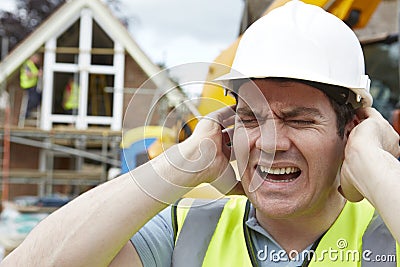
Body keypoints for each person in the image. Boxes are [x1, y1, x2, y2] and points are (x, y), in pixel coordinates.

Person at [2, 1, 400, 266]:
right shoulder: (186, 230)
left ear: (350, 131)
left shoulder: (385, 230)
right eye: (250, 118)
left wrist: (374, 164)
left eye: (299, 120)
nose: (271, 141)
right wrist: (182, 165)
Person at [19, 53, 42, 118]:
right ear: (33, 57)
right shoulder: (27, 64)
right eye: (37, 58)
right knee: (34, 99)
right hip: (27, 86)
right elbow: (28, 74)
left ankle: (28, 112)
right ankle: (26, 114)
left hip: (32, 86)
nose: (38, 60)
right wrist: (37, 74)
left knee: (39, 96)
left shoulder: (33, 65)